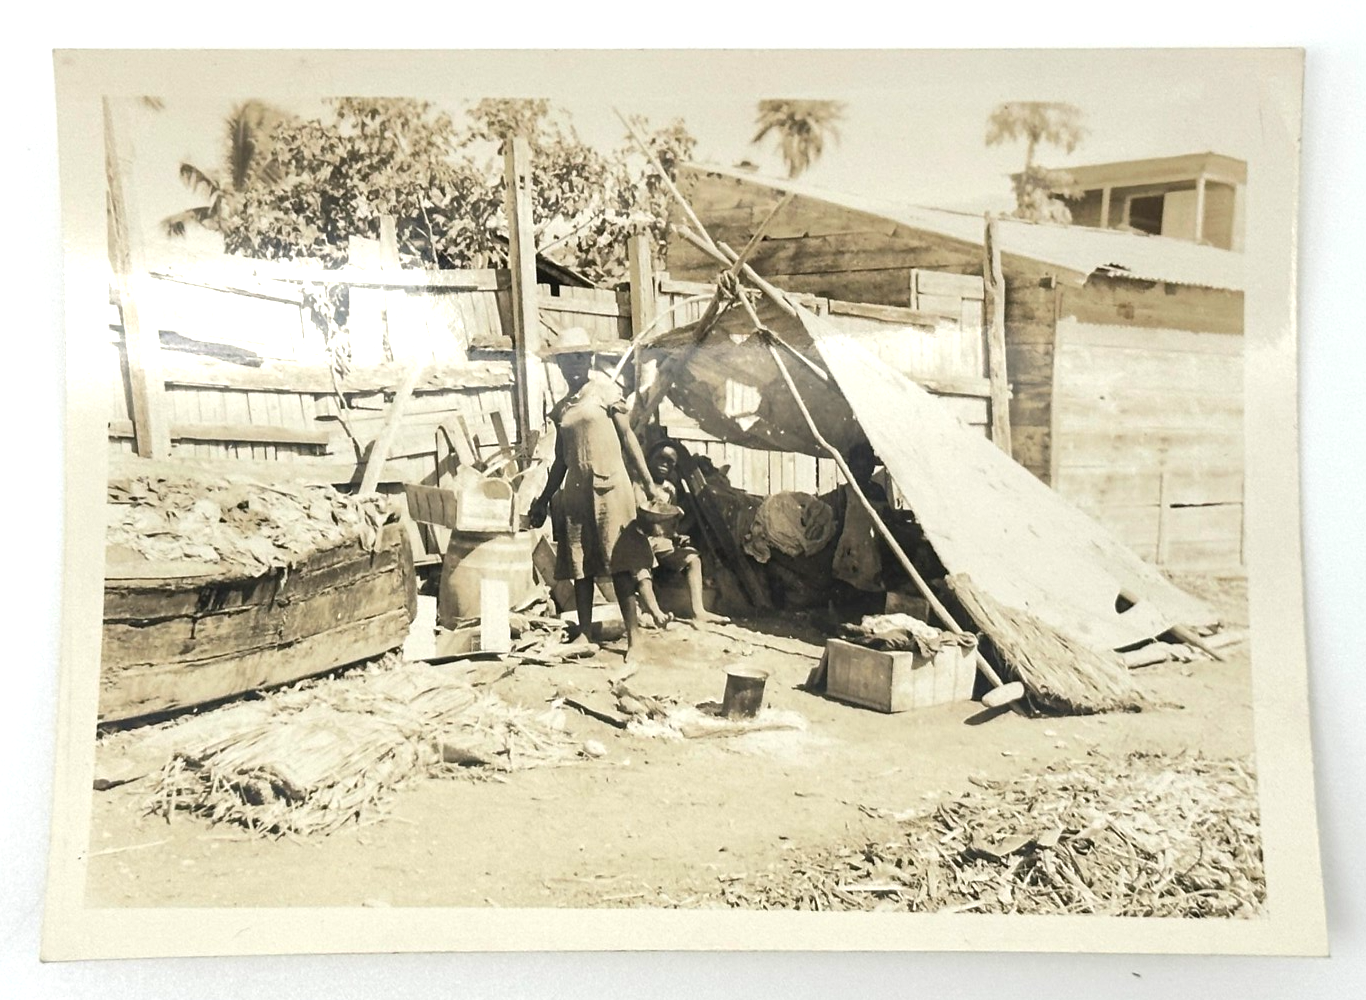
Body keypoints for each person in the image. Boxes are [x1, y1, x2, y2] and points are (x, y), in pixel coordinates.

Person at [528, 328, 664, 660]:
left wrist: (648, 485)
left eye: (577, 357)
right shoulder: (563, 408)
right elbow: (560, 460)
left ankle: (635, 639)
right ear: (558, 365)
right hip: (575, 493)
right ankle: (585, 634)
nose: (571, 365)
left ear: (588, 359)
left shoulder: (605, 392)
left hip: (611, 488)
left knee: (619, 563)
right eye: (565, 360)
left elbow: (629, 439)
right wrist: (544, 499)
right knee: (581, 565)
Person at [830, 440, 891, 618]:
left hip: (870, 545)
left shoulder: (877, 491)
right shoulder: (845, 491)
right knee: (846, 581)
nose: (862, 472)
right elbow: (840, 522)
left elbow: (886, 519)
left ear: (872, 469)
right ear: (850, 468)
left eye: (866, 468)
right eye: (857, 468)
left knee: (870, 582)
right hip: (850, 544)